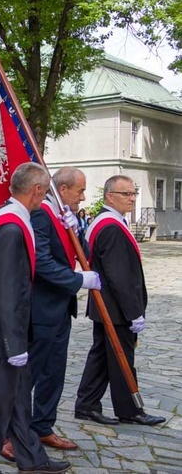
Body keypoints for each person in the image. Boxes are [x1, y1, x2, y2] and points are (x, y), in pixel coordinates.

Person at [0, 162, 70, 474]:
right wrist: (14, 342)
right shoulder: (11, 227)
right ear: (37, 190)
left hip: (10, 331)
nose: (46, 197)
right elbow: (8, 290)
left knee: (17, 400)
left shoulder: (13, 219)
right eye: (45, 190)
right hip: (1, 334)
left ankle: (31, 457)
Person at [2, 167, 101, 461]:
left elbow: (79, 253)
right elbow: (41, 262)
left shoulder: (62, 217)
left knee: (53, 372)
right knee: (28, 376)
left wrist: (78, 230)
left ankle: (42, 424)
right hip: (40, 307)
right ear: (63, 189)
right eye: (80, 191)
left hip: (60, 308)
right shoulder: (41, 215)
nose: (83, 198)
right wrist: (77, 280)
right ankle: (9, 434)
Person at [74, 175, 165, 427]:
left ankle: (87, 404)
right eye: (126, 194)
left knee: (101, 358)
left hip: (107, 306)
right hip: (115, 308)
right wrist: (134, 312)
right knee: (122, 359)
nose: (133, 198)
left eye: (133, 193)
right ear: (109, 197)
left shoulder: (107, 221)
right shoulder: (111, 226)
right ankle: (130, 410)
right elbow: (119, 275)